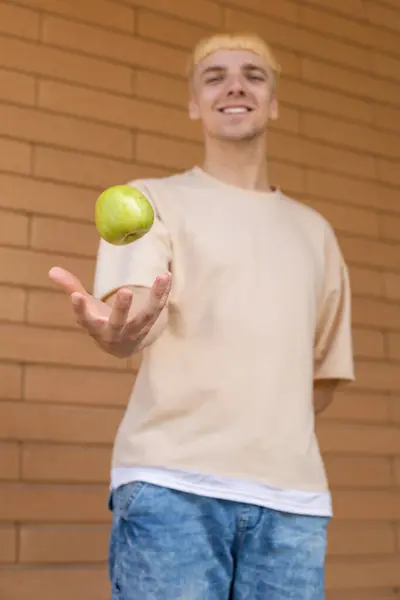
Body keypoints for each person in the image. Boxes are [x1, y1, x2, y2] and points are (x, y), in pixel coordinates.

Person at [49, 32, 354, 600]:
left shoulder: (316, 234)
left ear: (274, 101)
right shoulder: (149, 201)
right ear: (194, 102)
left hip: (293, 506)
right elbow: (136, 309)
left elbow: (322, 378)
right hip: (171, 491)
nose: (234, 85)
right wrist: (123, 333)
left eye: (253, 75)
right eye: (214, 76)